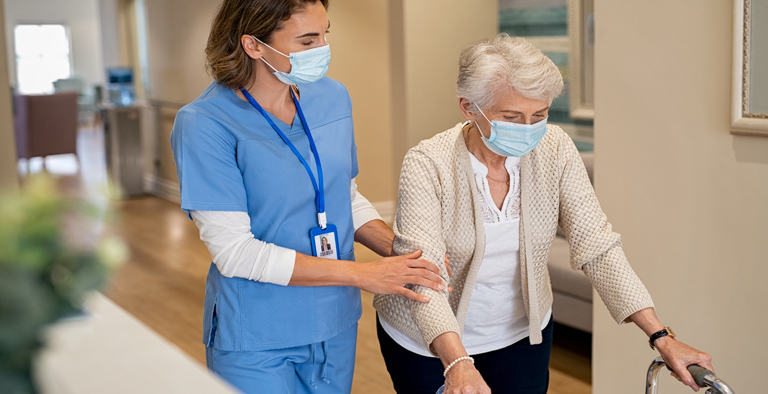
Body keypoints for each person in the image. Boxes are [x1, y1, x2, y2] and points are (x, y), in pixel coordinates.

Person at [373, 34, 714, 394]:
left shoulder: (555, 148)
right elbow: (423, 275)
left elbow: (597, 244)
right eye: (511, 116)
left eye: (539, 115)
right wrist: (458, 362)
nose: (528, 129)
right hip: (428, 340)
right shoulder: (428, 163)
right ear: (469, 107)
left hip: (519, 333)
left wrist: (661, 336)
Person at [170, 1, 445, 393]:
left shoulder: (331, 97)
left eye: (325, 34)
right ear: (254, 45)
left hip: (333, 321)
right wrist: (363, 274)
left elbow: (344, 197)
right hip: (258, 332)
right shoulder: (204, 124)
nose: (323, 48)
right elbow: (234, 252)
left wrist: (402, 252)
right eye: (307, 39)